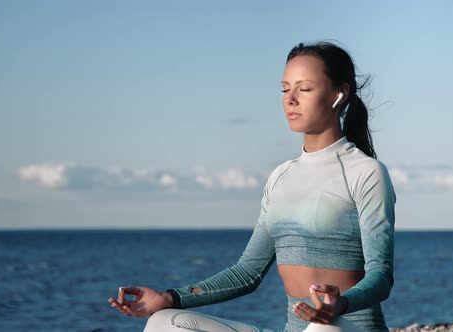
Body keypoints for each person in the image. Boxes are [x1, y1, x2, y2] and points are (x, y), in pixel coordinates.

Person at [108, 41, 396, 332]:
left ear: (340, 93)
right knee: (165, 322)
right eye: (285, 89)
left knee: (323, 328)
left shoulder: (365, 173)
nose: (290, 99)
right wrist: (169, 298)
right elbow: (247, 274)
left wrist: (342, 303)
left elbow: (380, 276)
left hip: (348, 327)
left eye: (304, 89)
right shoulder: (281, 177)